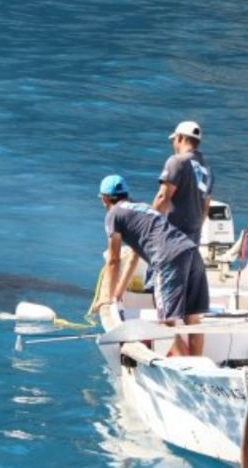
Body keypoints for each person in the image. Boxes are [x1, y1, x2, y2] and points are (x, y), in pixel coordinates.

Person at [90, 175, 209, 356]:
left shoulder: (113, 215)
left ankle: (183, 370)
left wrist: (106, 297)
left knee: (167, 322)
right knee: (192, 318)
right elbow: (133, 257)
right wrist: (118, 293)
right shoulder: (144, 208)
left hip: (168, 259)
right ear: (126, 195)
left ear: (105, 198)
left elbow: (113, 261)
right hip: (191, 251)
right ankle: (198, 363)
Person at [152, 121, 213, 244]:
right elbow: (205, 208)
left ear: (179, 138)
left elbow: (162, 197)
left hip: (172, 237)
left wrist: (147, 225)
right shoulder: (207, 169)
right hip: (192, 241)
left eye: (173, 140)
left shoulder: (177, 162)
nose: (173, 144)